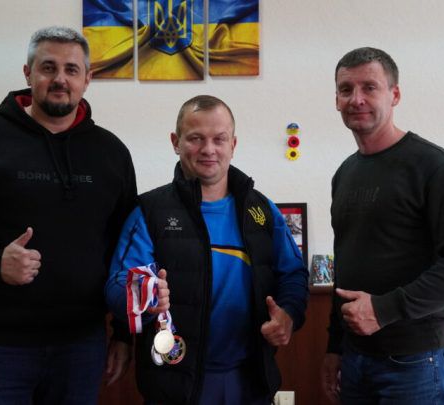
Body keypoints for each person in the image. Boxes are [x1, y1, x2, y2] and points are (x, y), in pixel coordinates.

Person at [0, 26, 137, 404]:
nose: (60, 78)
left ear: (88, 78)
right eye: (48, 67)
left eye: (71, 69)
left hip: (81, 348)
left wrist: (124, 334)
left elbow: (127, 249)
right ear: (28, 73)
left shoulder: (112, 153)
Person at [105, 95, 309, 404]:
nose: (208, 149)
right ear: (176, 142)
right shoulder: (148, 211)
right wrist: (144, 298)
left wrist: (289, 314)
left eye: (219, 139)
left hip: (250, 380)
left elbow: (293, 273)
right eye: (196, 138)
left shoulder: (262, 211)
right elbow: (118, 283)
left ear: (233, 144)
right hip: (175, 385)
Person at [321, 47, 444, 404]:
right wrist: (335, 346)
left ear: (394, 94)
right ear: (336, 100)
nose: (356, 99)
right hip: (355, 359)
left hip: (416, 362)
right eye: (346, 89)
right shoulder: (344, 174)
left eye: (370, 87)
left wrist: (384, 310)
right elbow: (346, 267)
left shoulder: (435, 166)